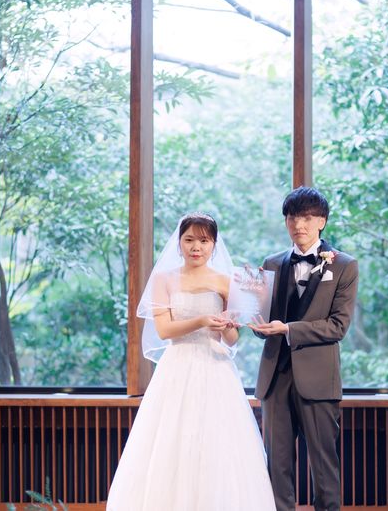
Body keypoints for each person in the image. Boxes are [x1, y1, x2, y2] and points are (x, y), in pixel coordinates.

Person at [106, 212, 276, 511]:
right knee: (172, 439)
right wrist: (201, 320)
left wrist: (227, 326)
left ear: (214, 244)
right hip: (178, 365)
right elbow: (164, 330)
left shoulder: (226, 281)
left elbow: (231, 339)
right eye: (189, 240)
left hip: (216, 367)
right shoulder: (164, 279)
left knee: (217, 442)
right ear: (179, 243)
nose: (196, 247)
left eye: (204, 240)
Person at [249, 187, 358, 511]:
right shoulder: (271, 264)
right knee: (276, 466)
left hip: (319, 380)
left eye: (308, 217)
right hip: (275, 378)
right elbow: (262, 326)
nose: (299, 224)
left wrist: (289, 329)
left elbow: (337, 326)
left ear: (321, 221)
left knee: (324, 466)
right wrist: (251, 312)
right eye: (293, 217)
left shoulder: (344, 265)